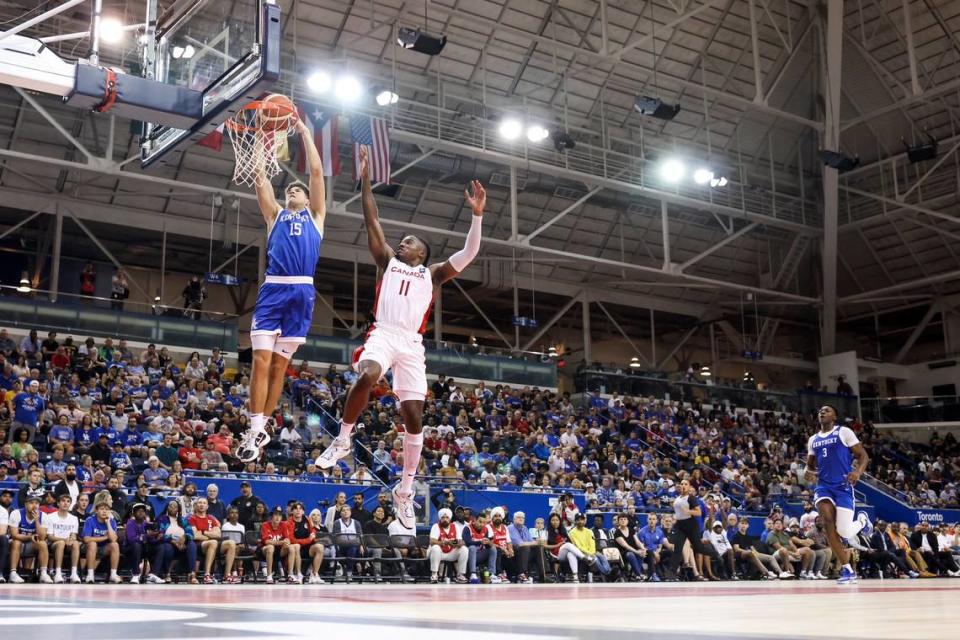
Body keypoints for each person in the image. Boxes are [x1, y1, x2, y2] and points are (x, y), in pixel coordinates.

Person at [317, 146, 487, 529]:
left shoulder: (435, 273)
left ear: (422, 253)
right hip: (383, 333)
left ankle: (405, 489)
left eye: (409, 241)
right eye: (402, 240)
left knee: (414, 419)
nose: (402, 243)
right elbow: (371, 217)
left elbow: (470, 251)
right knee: (368, 375)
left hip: (412, 344)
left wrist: (476, 216)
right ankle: (344, 438)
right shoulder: (387, 262)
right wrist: (364, 179)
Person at [236, 117, 327, 463]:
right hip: (273, 290)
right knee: (259, 361)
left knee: (278, 368)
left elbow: (317, 174)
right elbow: (260, 179)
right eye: (290, 189)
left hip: (301, 293)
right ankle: (255, 427)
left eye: (297, 190)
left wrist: (304, 133)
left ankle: (263, 423)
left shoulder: (315, 215)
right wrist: (261, 141)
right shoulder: (274, 215)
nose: (293, 191)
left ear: (306, 198)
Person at [804, 405, 870, 584]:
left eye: (827, 410)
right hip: (823, 486)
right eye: (820, 411)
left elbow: (863, 456)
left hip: (843, 486)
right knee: (827, 522)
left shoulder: (844, 432)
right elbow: (810, 465)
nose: (822, 412)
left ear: (835, 416)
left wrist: (857, 472)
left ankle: (863, 521)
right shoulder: (813, 439)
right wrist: (807, 471)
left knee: (844, 531)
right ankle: (847, 570)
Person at [8, 495, 51, 583]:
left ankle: (43, 573)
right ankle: (13, 573)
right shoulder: (16, 513)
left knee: (42, 543)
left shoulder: (44, 516)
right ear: (25, 504)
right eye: (31, 503)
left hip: (32, 545)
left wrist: (37, 521)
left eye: (37, 503)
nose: (34, 506)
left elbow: (42, 537)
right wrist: (30, 537)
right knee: (16, 542)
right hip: (17, 544)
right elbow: (14, 535)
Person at [42, 493, 81, 583]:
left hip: (68, 544)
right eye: (63, 501)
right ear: (58, 503)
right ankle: (58, 573)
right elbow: (50, 537)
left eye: (68, 501)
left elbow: (73, 534)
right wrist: (64, 540)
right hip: (53, 544)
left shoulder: (74, 518)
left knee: (75, 543)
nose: (65, 503)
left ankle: (74, 574)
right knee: (61, 543)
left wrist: (72, 540)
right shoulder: (50, 517)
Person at [81, 501, 122, 583]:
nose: (104, 511)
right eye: (101, 509)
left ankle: (113, 575)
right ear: (96, 511)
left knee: (115, 545)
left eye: (107, 509)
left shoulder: (111, 521)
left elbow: (113, 539)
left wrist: (108, 523)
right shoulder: (90, 520)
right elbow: (86, 539)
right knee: (93, 544)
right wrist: (105, 537)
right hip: (88, 548)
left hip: (103, 548)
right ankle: (90, 575)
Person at [427, 507, 469, 583]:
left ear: (450, 519)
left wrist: (457, 544)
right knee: (435, 547)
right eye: (443, 517)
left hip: (451, 553)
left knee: (464, 549)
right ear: (440, 518)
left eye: (447, 517)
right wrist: (444, 542)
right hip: (439, 553)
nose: (445, 519)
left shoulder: (455, 526)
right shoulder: (436, 526)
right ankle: (434, 575)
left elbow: (461, 541)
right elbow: (432, 541)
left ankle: (460, 575)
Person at [189, 497, 224, 584]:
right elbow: (195, 536)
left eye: (204, 503)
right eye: (200, 503)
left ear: (207, 506)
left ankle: (227, 575)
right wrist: (211, 535)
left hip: (211, 544)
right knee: (213, 541)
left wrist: (203, 532)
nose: (202, 505)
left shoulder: (211, 518)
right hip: (198, 545)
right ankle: (207, 574)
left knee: (231, 543)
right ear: (196, 505)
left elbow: (218, 534)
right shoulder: (192, 518)